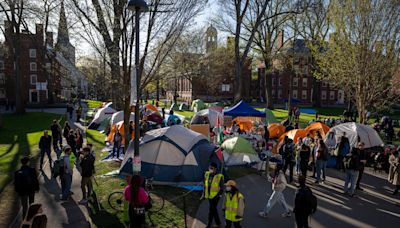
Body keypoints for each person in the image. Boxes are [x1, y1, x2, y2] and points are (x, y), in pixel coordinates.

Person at [202, 162, 224, 228]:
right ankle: (218, 222)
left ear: (215, 169)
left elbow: (222, 188)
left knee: (211, 210)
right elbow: (205, 184)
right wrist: (203, 194)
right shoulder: (207, 174)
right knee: (214, 209)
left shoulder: (219, 176)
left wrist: (218, 195)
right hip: (209, 195)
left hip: (216, 197)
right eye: (209, 167)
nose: (210, 169)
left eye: (211, 168)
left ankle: (209, 224)